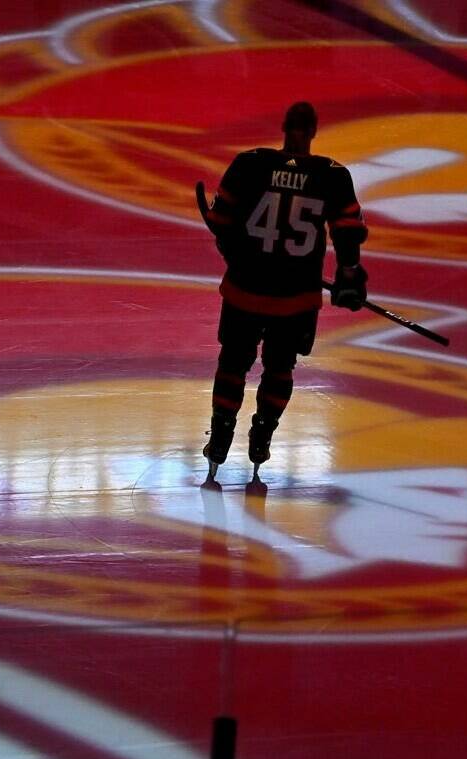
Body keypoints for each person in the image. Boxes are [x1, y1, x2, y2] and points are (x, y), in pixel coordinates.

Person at [202, 101, 369, 480]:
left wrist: (235, 248)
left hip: (246, 288)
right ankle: (262, 437)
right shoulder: (333, 175)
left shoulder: (249, 164)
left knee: (232, 362)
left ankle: (221, 437)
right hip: (296, 298)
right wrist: (349, 274)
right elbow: (346, 230)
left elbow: (222, 224)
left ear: (284, 128)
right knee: (280, 367)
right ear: (312, 131)